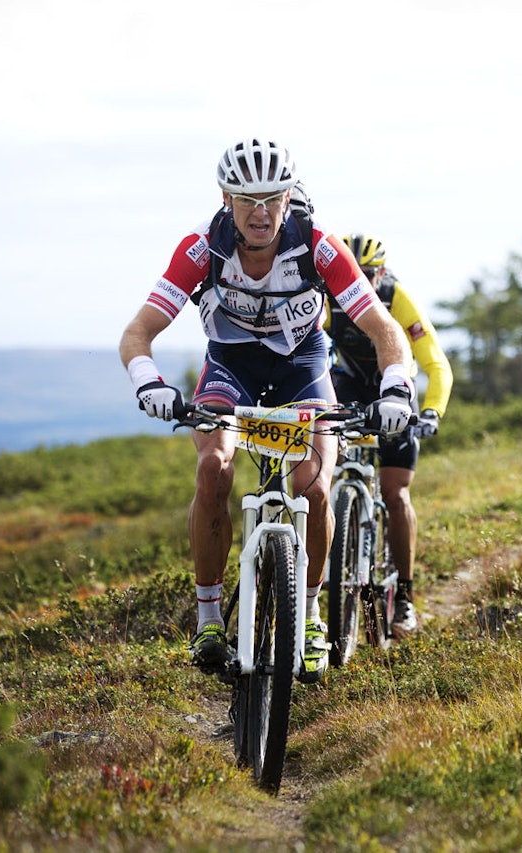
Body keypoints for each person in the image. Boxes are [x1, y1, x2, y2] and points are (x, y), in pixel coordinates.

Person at [118, 138, 414, 684]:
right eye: (247, 198)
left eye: (271, 198)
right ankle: (209, 617)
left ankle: (309, 615)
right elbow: (138, 333)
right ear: (226, 199)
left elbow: (384, 329)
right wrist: (149, 383)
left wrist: (396, 388)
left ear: (287, 199)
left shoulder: (318, 245)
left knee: (316, 487)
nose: (260, 212)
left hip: (303, 368)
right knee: (213, 468)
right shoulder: (201, 250)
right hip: (230, 369)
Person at [324, 233, 454, 637]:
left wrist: (431, 410)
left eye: (366, 274)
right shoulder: (329, 295)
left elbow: (435, 361)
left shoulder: (398, 300)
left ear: (380, 272)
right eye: (352, 272)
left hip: (393, 390)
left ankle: (407, 599)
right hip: (348, 384)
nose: (357, 281)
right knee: (319, 473)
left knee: (396, 494)